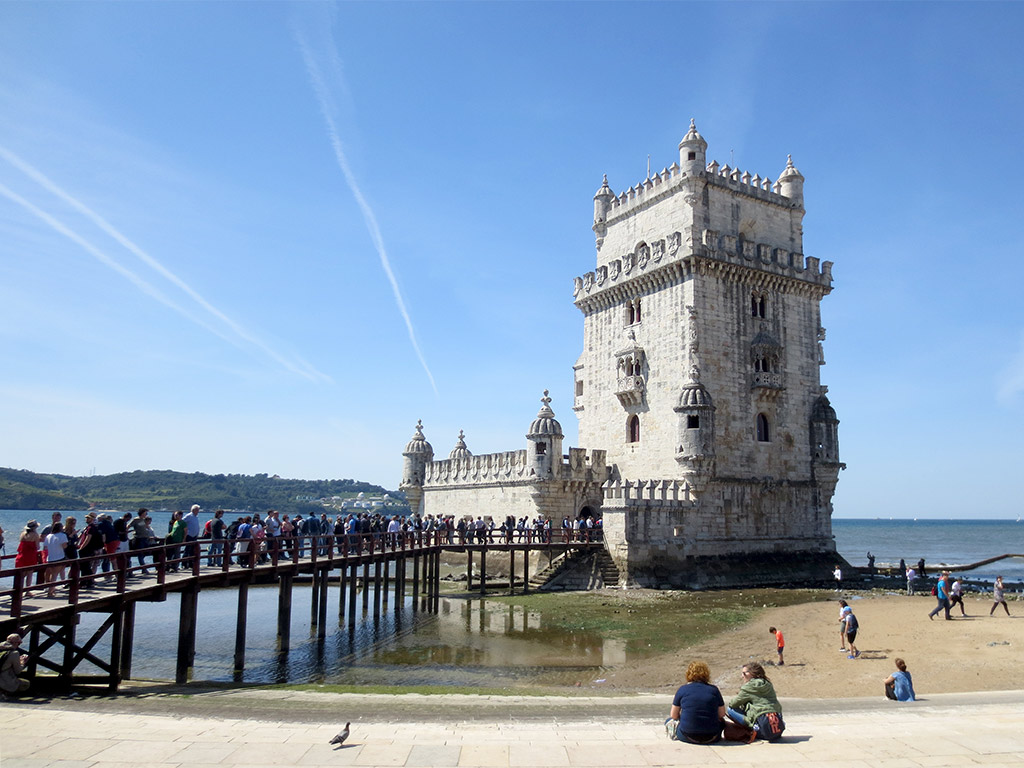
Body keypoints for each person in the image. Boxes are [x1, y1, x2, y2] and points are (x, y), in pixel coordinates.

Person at [665, 660, 725, 744]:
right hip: (712, 736)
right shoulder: (714, 690)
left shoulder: (683, 689)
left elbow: (673, 715)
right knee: (722, 723)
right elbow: (722, 714)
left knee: (668, 720)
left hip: (687, 736)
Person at [726, 662, 785, 742]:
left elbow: (733, 704)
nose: (742, 676)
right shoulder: (768, 684)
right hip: (776, 722)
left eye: (744, 673)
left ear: (751, 674)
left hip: (761, 724)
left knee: (730, 709)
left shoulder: (749, 686)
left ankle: (752, 729)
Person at [0, 633, 30, 699]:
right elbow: (18, 671)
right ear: (15, 643)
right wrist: (22, 662)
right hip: (3, 680)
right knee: (26, 684)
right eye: (19, 643)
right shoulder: (14, 653)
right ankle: (4, 692)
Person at [14, 521, 42, 591]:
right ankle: (27, 590)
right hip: (30, 556)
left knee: (21, 575)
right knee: (29, 574)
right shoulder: (35, 535)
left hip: (22, 555)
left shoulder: (23, 534)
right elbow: (38, 547)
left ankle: (18, 590)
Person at [43, 521, 68, 596]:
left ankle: (51, 589)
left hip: (50, 558)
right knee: (55, 575)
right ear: (60, 528)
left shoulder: (49, 536)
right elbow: (64, 546)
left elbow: (45, 547)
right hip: (59, 556)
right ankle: (50, 591)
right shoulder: (62, 535)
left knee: (52, 574)